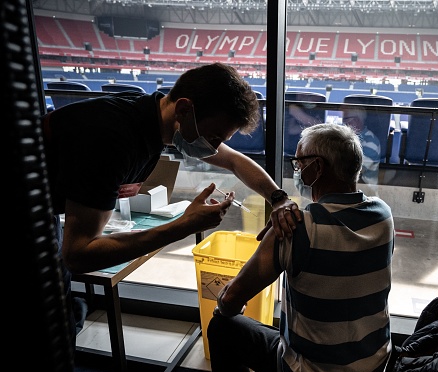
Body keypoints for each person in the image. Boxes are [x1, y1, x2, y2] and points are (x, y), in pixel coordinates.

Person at [41, 63, 301, 352]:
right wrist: (183, 226)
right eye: (213, 138)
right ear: (184, 109)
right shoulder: (113, 138)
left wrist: (279, 198)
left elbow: (233, 161)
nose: (213, 149)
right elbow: (78, 255)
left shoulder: (152, 116)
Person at [207, 123, 395, 372]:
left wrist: (223, 308)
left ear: (317, 168)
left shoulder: (295, 228)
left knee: (222, 327)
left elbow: (233, 298)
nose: (296, 170)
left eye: (299, 163)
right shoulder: (384, 215)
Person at [342, 107, 382, 186]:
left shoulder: (371, 142)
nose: (343, 123)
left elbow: (356, 171)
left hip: (365, 187)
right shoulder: (345, 137)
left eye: (346, 119)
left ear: (356, 120)